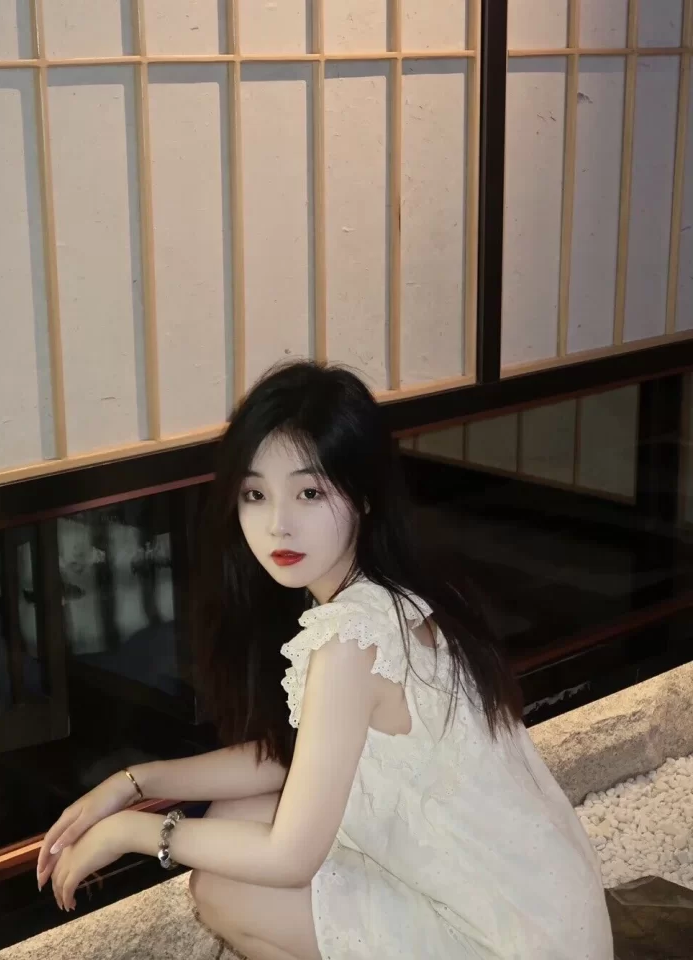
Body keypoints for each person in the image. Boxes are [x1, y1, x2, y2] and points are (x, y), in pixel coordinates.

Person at [36, 360, 614, 960]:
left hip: (509, 944)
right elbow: (293, 758)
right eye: (256, 494)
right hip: (552, 916)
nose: (278, 525)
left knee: (224, 890)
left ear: (362, 495)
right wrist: (136, 782)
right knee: (238, 814)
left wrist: (132, 831)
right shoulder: (395, 592)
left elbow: (290, 858)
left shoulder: (350, 638)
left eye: (309, 493)